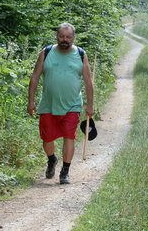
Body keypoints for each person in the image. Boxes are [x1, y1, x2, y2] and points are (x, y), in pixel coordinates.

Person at [27, 23, 94, 184]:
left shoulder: (80, 54)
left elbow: (88, 82)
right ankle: (51, 159)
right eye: (62, 36)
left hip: (72, 105)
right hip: (48, 104)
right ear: (57, 36)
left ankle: (65, 171)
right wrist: (31, 101)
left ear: (73, 38)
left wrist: (90, 106)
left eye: (68, 37)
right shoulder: (46, 52)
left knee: (69, 136)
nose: (65, 40)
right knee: (47, 139)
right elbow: (35, 77)